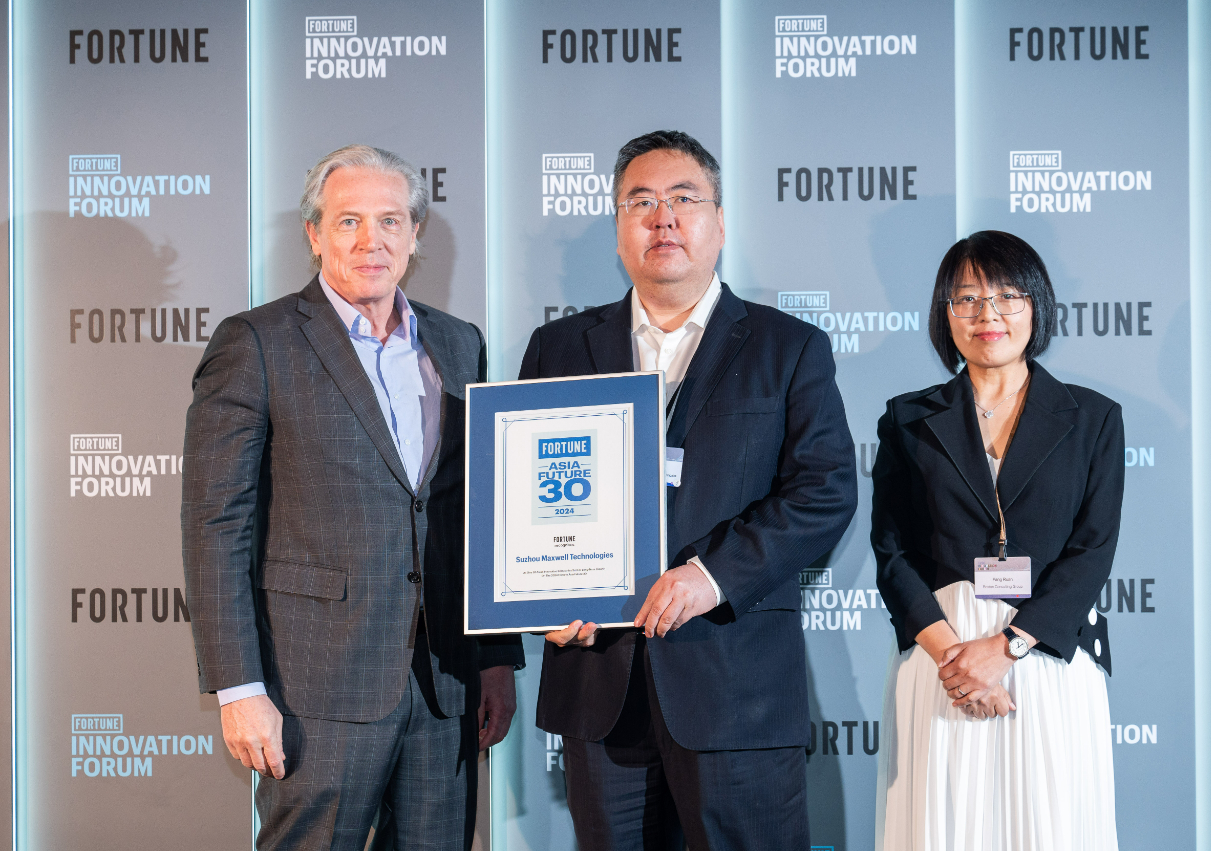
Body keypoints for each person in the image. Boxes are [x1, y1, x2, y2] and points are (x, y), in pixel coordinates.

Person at [519, 130, 859, 851]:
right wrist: (543, 597)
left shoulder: (787, 346)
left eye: (684, 199)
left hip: (734, 686)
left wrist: (712, 575)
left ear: (720, 222)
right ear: (618, 228)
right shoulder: (559, 349)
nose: (663, 218)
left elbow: (825, 489)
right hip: (599, 688)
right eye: (641, 202)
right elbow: (523, 498)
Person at [181, 144, 524, 851]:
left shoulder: (459, 343)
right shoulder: (257, 343)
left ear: (415, 235)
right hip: (314, 689)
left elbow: (479, 514)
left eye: (391, 220)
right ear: (314, 234)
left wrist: (494, 657)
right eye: (349, 221)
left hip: (444, 685)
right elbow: (216, 524)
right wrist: (239, 687)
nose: (373, 240)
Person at [871, 230, 1121, 850]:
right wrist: (955, 661)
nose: (988, 314)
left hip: (1046, 656)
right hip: (943, 659)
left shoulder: (1093, 418)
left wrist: (1006, 649)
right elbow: (892, 551)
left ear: (1036, 306)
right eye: (967, 299)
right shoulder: (907, 418)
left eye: (1008, 296)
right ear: (945, 314)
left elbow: (1092, 550)